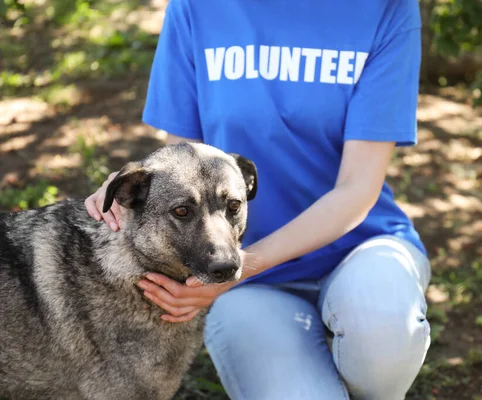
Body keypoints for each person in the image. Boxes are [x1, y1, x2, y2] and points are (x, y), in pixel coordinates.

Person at [85, 0, 431, 398]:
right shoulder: (196, 8)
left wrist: (246, 265)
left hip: (360, 247)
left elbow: (357, 189)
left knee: (385, 329)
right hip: (238, 277)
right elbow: (184, 157)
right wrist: (135, 179)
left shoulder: (386, 8)